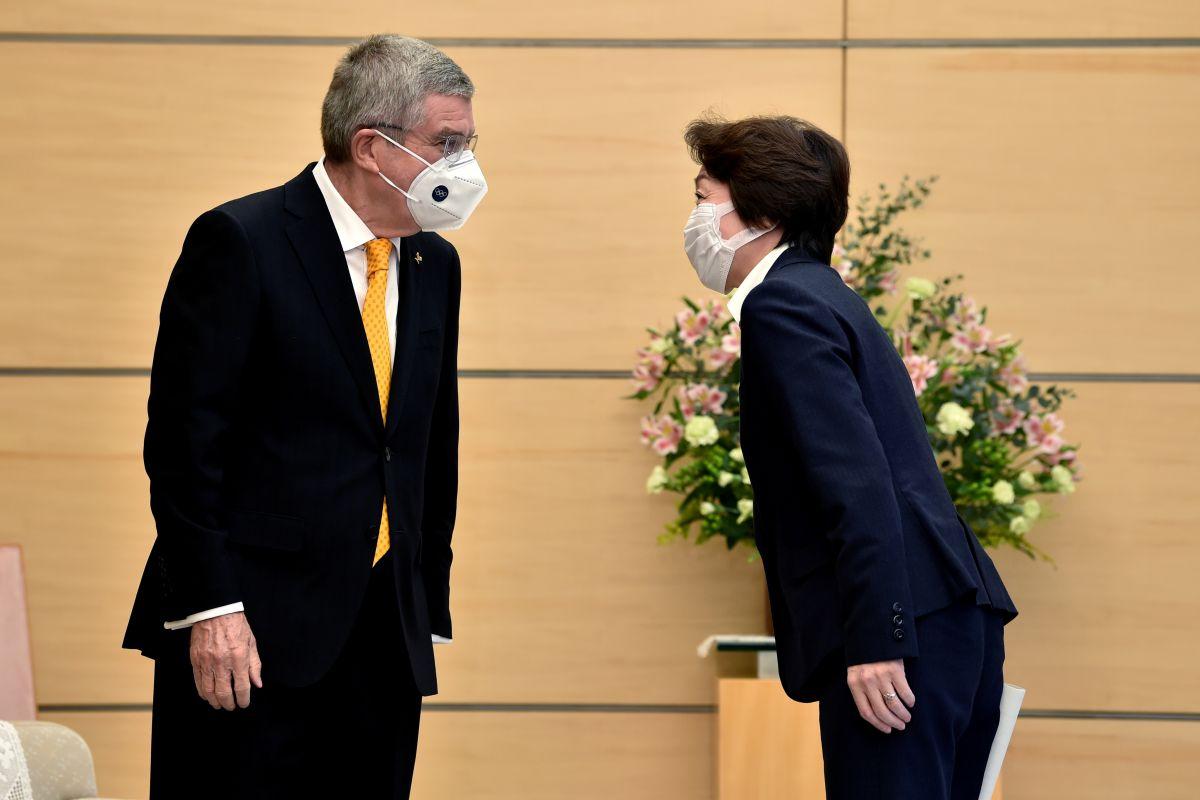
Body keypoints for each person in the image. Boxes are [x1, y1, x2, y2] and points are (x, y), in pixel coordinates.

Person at [121, 34, 486, 799]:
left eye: (469, 143)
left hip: (383, 630)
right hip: (250, 631)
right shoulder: (242, 241)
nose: (463, 166)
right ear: (371, 147)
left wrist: (428, 601)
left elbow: (428, 442)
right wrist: (212, 608)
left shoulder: (432, 262)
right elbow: (186, 445)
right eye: (446, 143)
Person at [682, 115, 1018, 800]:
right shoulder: (826, 296)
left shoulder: (783, 306)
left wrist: (876, 638)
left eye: (702, 195)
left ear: (764, 214)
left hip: (906, 634)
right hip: (951, 615)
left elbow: (856, 484)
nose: (695, 216)